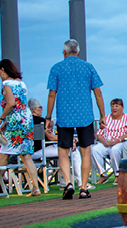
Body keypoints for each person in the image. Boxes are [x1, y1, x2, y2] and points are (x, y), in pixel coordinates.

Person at [45, 39, 106, 199]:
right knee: (85, 151)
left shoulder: (56, 68)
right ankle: (84, 188)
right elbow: (98, 93)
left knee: (63, 152)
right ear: (78, 52)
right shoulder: (88, 67)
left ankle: (68, 183)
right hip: (85, 115)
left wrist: (48, 117)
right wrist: (102, 115)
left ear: (64, 52)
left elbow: (52, 94)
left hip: (64, 116)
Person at [0, 59, 41, 196]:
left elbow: (10, 104)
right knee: (25, 155)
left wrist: (0, 119)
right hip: (25, 119)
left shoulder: (6, 84)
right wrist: (7, 122)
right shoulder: (20, 83)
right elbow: (19, 104)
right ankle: (36, 187)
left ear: (3, 70)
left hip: (16, 121)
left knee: (3, 154)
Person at [27, 98, 86, 189]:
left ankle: (64, 183)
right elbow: (51, 137)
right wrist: (70, 139)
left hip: (29, 153)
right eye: (40, 107)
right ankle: (81, 183)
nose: (42, 109)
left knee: (62, 152)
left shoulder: (27, 121)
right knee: (71, 151)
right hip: (40, 151)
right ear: (34, 109)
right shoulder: (41, 121)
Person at [91, 98, 127, 184]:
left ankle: (118, 175)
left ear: (122, 107)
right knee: (94, 150)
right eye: (112, 106)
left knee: (115, 150)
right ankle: (103, 174)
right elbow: (99, 134)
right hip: (107, 142)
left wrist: (119, 140)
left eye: (117, 106)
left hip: (121, 142)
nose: (114, 108)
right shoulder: (106, 118)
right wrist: (103, 142)